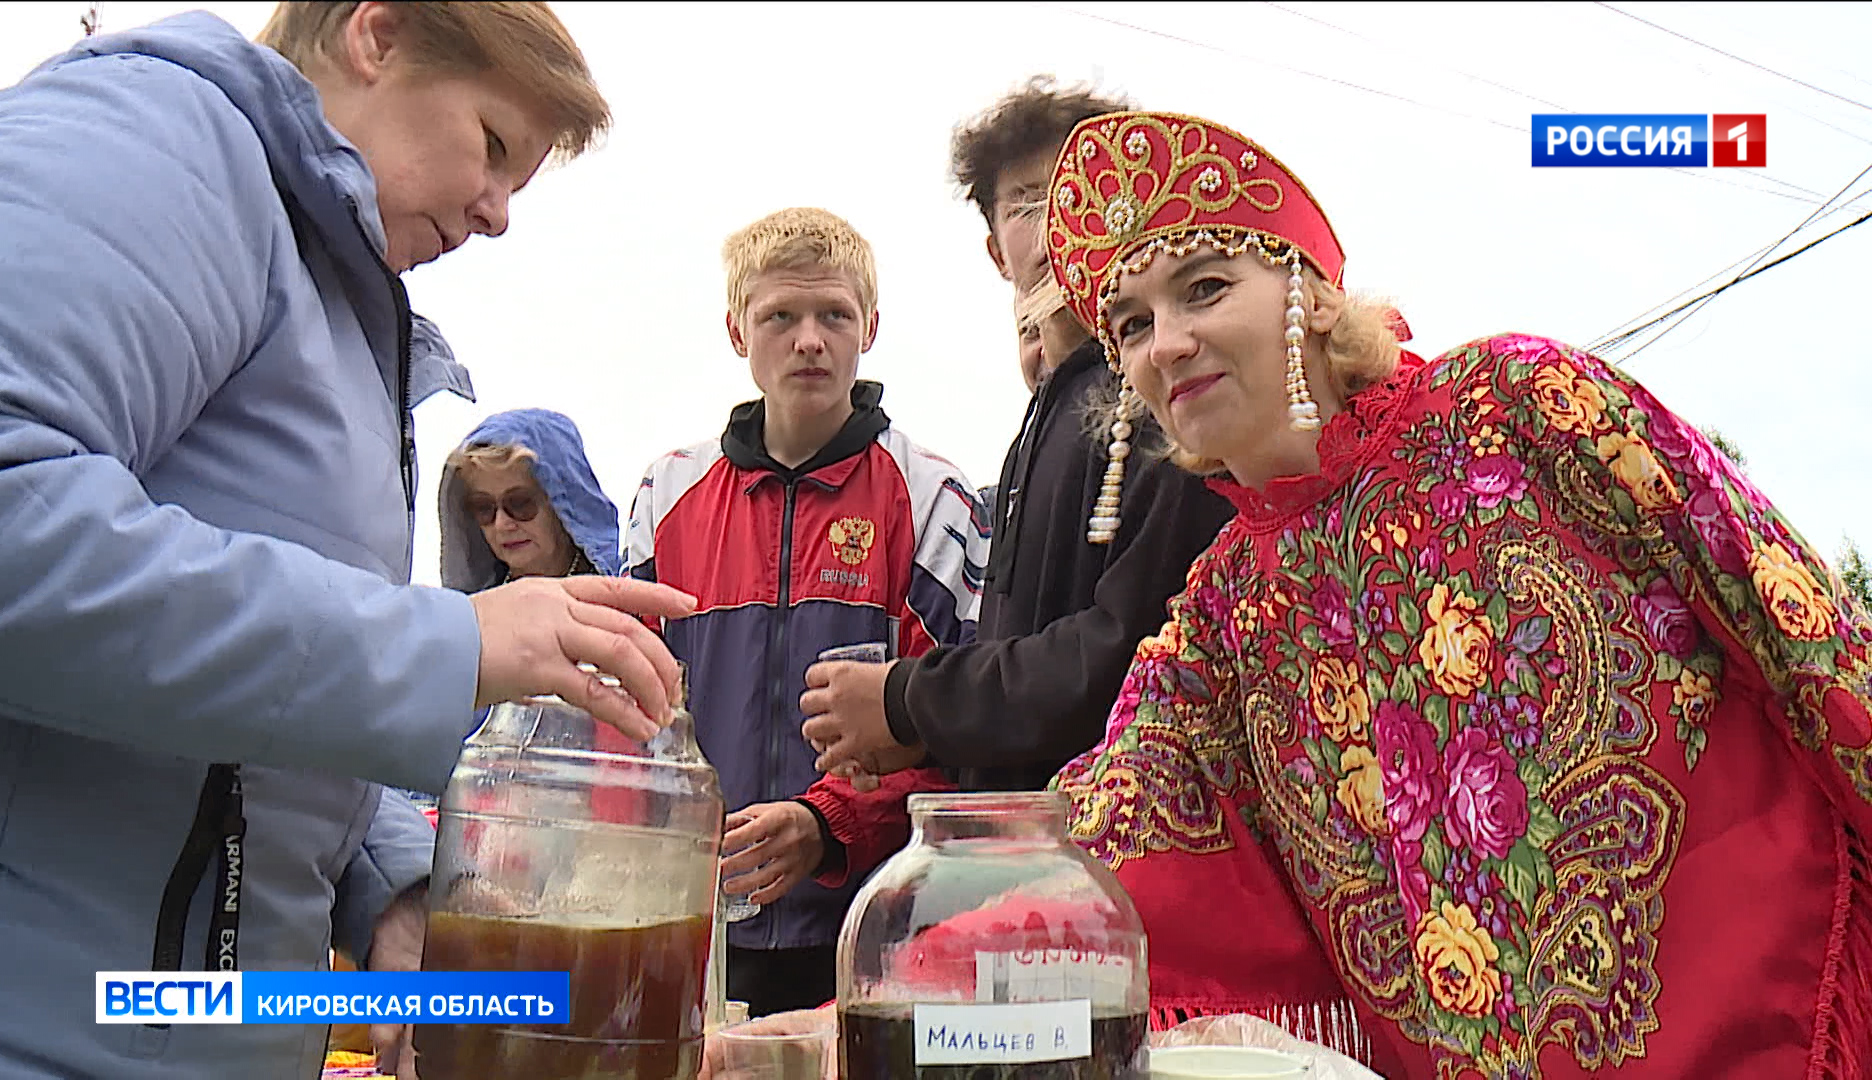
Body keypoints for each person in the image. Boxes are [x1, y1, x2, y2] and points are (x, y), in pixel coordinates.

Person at [1041, 110, 1872, 1075]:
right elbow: (1101, 835)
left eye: (1206, 289)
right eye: (1133, 326)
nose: (1169, 344)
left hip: (1755, 1006)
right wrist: (903, 965)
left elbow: (1785, 611)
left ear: (1306, 294)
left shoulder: (1518, 401)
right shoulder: (1227, 610)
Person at [0, 6, 694, 1079]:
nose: (495, 217)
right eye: (492, 146)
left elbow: (241, 714)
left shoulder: (334, 303)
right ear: (376, 36)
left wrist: (381, 882)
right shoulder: (158, 141)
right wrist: (450, 648)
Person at [800, 79, 1232, 818]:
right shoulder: (1047, 414)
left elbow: (1130, 656)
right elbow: (1033, 654)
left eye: (1082, 186)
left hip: (1134, 862)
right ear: (998, 250)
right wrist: (922, 733)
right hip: (1034, 861)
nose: (1062, 216)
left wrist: (910, 701)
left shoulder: (1163, 389)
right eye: (1030, 202)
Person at [622, 207, 986, 1017]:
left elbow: (963, 725)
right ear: (735, 331)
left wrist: (829, 826)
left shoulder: (933, 497)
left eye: (834, 316)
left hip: (879, 923)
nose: (809, 340)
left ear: (872, 327)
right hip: (695, 922)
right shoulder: (665, 494)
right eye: (779, 317)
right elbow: (630, 716)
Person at [440, 407, 624, 587]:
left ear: (562, 506)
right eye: (484, 508)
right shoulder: (472, 615)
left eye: (519, 503)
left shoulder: (631, 602)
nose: (501, 524)